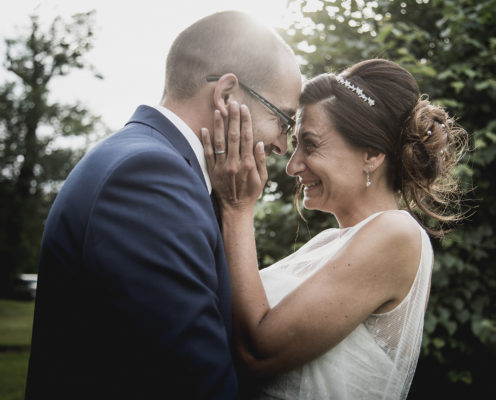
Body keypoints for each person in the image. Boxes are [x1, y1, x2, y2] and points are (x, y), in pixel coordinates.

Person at [25, 11, 301, 400]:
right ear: (225, 96)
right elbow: (194, 384)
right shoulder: (149, 177)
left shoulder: (154, 164)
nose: (282, 146)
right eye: (284, 120)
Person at [200, 58, 468, 399]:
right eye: (294, 143)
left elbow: (257, 352)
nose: (293, 165)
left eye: (310, 145)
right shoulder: (327, 242)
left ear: (371, 155)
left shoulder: (397, 233)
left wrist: (237, 208)